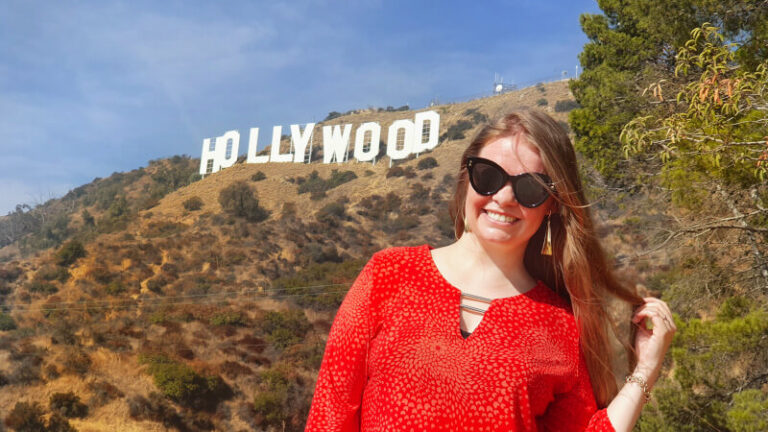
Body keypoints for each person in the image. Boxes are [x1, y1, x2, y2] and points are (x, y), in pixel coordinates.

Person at [305, 110, 676, 431]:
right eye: (489, 175)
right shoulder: (389, 274)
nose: (504, 198)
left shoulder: (560, 325)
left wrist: (645, 371)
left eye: (530, 187)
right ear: (467, 177)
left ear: (551, 205)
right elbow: (329, 415)